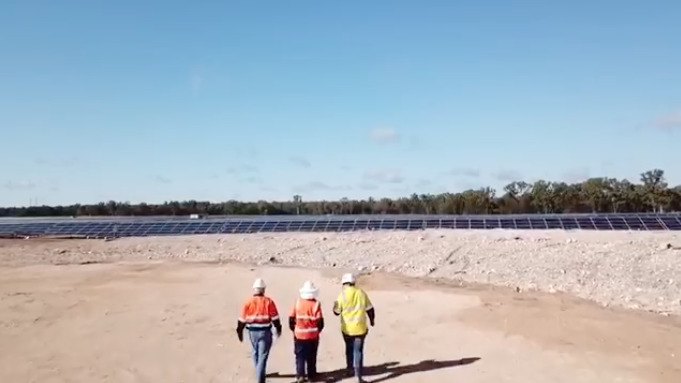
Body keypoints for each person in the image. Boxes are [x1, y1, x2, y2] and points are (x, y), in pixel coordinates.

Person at [237, 278, 283, 383]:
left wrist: (239, 332)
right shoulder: (268, 301)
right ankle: (260, 379)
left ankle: (259, 371)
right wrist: (278, 328)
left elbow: (241, 320)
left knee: (255, 352)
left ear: (254, 289)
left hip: (252, 332)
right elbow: (275, 318)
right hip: (265, 332)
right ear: (264, 290)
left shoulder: (248, 302)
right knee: (263, 355)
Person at [332, 273, 375, 383]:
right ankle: (359, 376)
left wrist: (335, 306)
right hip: (360, 329)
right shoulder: (361, 293)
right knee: (358, 351)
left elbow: (336, 312)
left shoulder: (342, 295)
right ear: (353, 283)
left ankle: (350, 369)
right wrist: (372, 321)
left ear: (344, 283)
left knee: (349, 349)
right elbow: (370, 309)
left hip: (347, 329)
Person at [288, 281, 324, 383]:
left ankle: (300, 375)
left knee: (300, 356)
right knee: (312, 356)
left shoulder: (297, 302)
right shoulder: (316, 304)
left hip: (299, 335)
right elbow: (320, 322)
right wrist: (317, 331)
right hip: (312, 335)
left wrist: (294, 330)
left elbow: (291, 319)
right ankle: (311, 376)